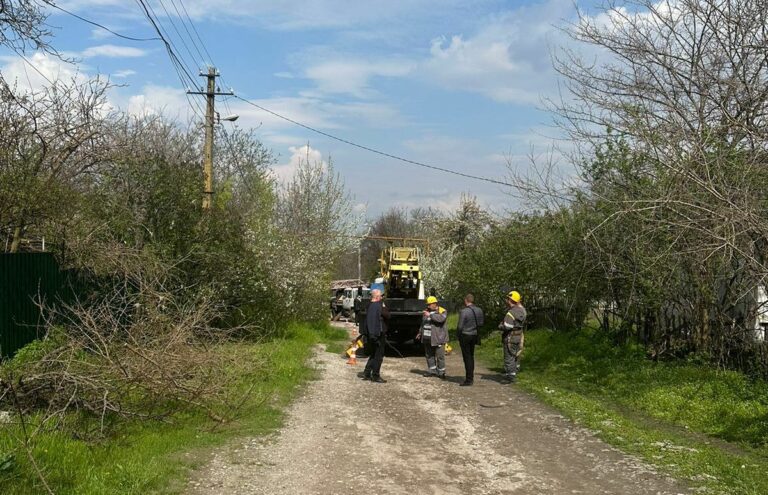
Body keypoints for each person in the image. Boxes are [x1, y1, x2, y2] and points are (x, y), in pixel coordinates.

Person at [415, 296, 448, 379]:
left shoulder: (442, 311)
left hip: (438, 338)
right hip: (427, 337)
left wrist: (430, 315)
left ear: (434, 304)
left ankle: (441, 372)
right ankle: (432, 370)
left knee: (440, 356)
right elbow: (423, 323)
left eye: (429, 304)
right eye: (428, 304)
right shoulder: (426, 311)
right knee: (429, 355)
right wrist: (420, 332)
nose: (428, 306)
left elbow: (440, 320)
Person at [498, 290, 526, 384]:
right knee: (515, 355)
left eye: (508, 299)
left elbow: (507, 326)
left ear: (510, 300)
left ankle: (510, 376)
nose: (507, 300)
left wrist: (500, 326)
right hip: (519, 336)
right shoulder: (522, 311)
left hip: (510, 337)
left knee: (509, 356)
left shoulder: (511, 313)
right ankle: (513, 372)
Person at [457, 293, 484, 386]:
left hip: (465, 335)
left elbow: (460, 326)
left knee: (467, 357)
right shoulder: (479, 310)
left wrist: (458, 336)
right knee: (471, 356)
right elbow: (481, 323)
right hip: (474, 335)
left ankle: (469, 379)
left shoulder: (464, 311)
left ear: (466, 300)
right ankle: (470, 377)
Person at [362, 289, 389, 383]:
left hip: (371, 334)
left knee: (373, 354)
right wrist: (384, 306)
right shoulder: (378, 306)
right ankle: (375, 375)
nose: (382, 297)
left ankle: (367, 372)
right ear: (377, 297)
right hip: (377, 334)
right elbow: (387, 315)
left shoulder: (369, 305)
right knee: (378, 356)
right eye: (381, 296)